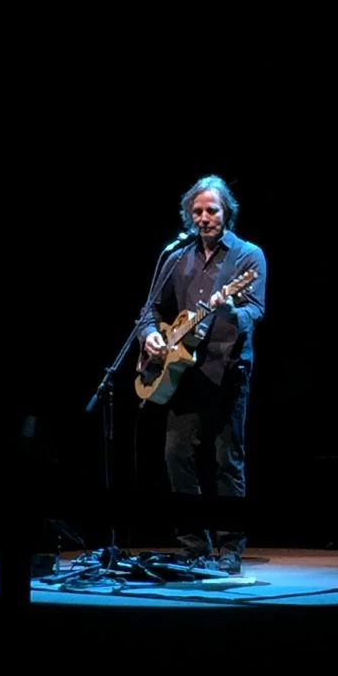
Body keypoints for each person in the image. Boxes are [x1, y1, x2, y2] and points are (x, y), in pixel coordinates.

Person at [136, 174, 267, 574]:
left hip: (228, 369)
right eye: (197, 211)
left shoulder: (247, 256)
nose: (205, 217)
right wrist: (151, 337)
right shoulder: (177, 257)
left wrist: (227, 309)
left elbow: (255, 310)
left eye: (212, 210)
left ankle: (229, 548)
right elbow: (149, 312)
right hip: (183, 371)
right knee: (176, 455)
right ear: (188, 216)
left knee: (227, 460)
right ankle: (193, 543)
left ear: (227, 212)